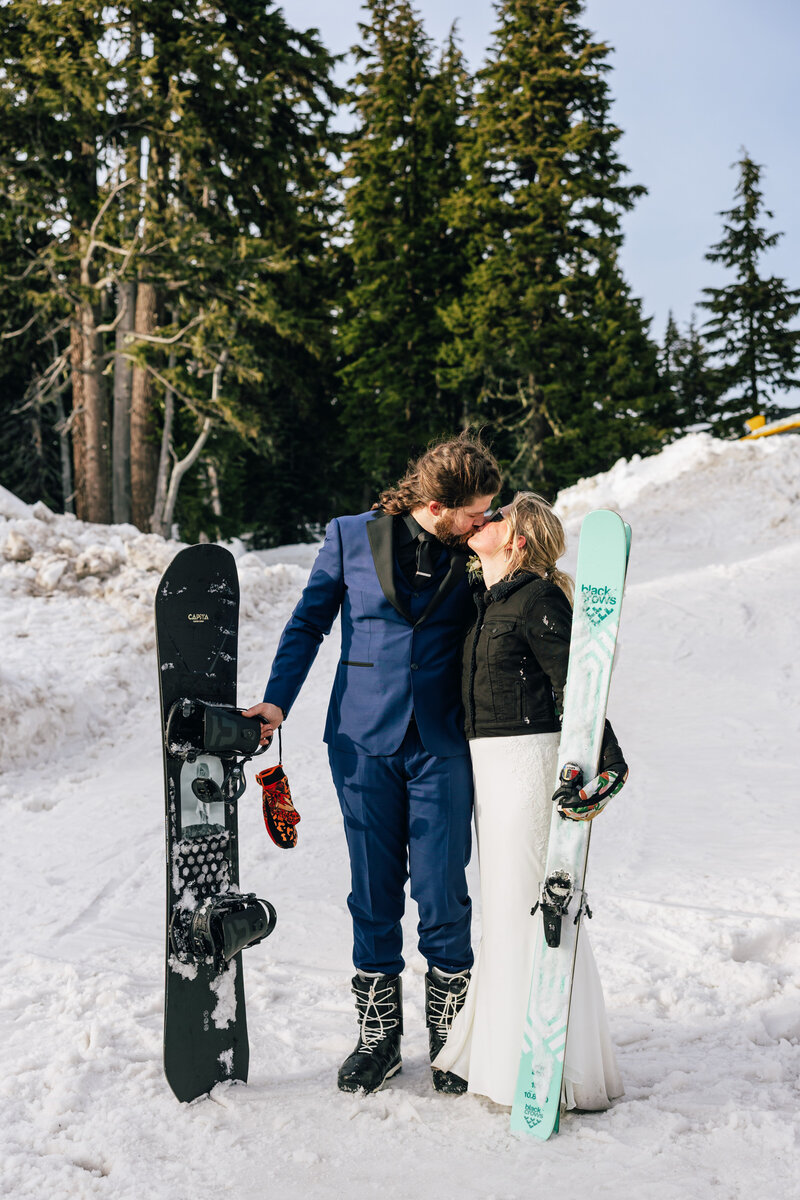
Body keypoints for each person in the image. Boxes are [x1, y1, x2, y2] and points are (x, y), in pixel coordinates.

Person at [244, 433, 501, 1095]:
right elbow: (308, 623)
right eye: (475, 511)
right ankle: (378, 1039)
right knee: (373, 889)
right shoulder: (350, 536)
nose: (484, 521)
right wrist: (277, 702)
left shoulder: (477, 549)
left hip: (442, 741)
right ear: (438, 504)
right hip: (361, 739)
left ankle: (454, 1038)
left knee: (444, 888)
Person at [432, 492, 627, 1111]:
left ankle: (550, 1065)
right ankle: (504, 1053)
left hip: (527, 762)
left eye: (495, 520)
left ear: (516, 541)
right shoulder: (486, 600)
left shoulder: (537, 598)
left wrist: (607, 763)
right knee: (506, 906)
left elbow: (579, 680)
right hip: (490, 767)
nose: (481, 523)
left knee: (530, 906)